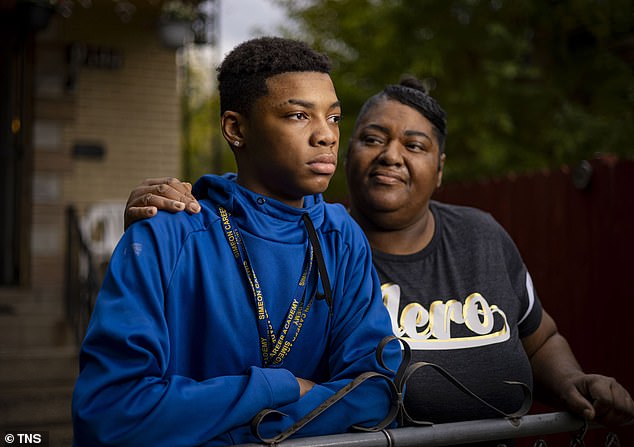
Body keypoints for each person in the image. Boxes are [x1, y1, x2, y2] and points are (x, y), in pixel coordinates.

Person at [124, 76, 634, 446]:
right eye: (372, 138)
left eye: (415, 145)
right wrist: (158, 237)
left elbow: (539, 336)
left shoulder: (482, 236)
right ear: (347, 157)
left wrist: (573, 382)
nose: (392, 155)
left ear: (439, 170)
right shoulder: (316, 249)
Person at [71, 37, 401, 447]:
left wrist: (225, 430)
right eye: (299, 115)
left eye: (333, 118)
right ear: (236, 128)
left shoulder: (341, 236)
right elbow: (110, 412)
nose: (326, 136)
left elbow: (374, 395)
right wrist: (282, 389)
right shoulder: (165, 233)